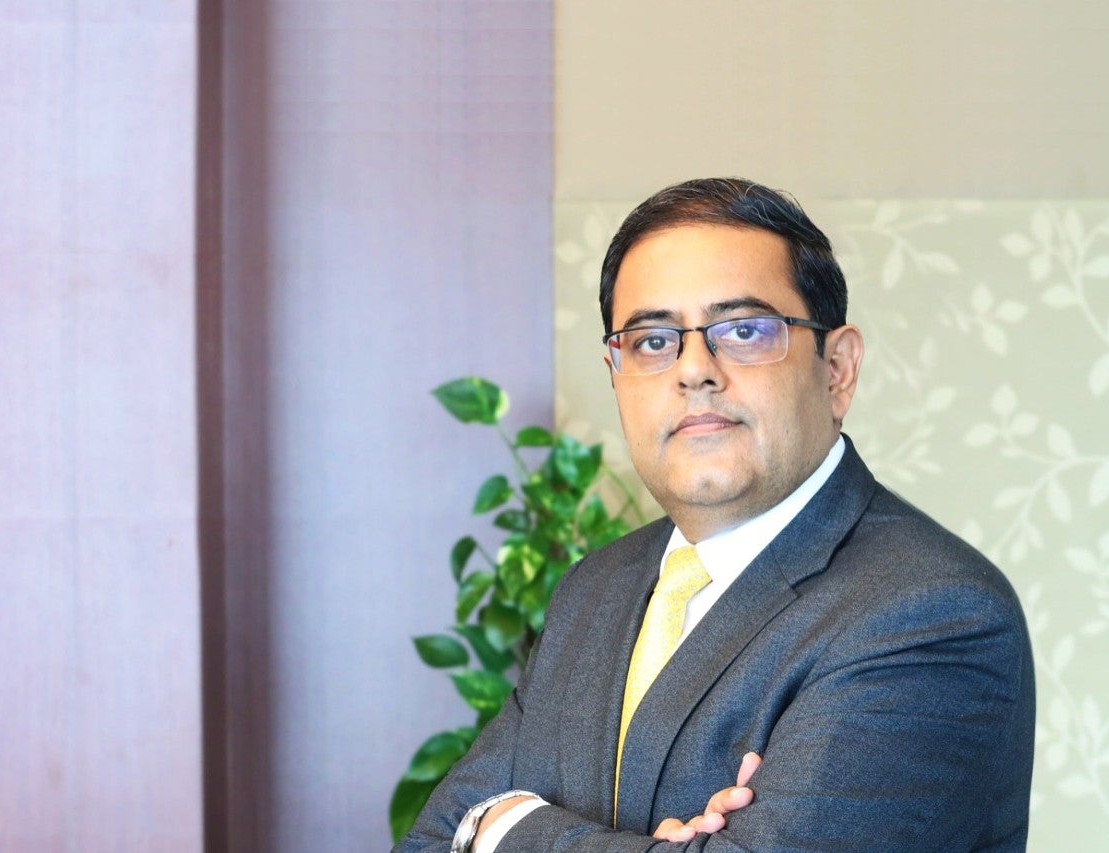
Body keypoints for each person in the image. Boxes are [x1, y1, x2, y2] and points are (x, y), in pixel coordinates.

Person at [395, 178, 1035, 852]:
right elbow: (429, 842)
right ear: (616, 373)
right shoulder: (594, 588)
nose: (694, 370)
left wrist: (505, 829)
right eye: (652, 341)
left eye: (744, 330)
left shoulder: (930, 612)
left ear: (837, 369)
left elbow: (469, 831)